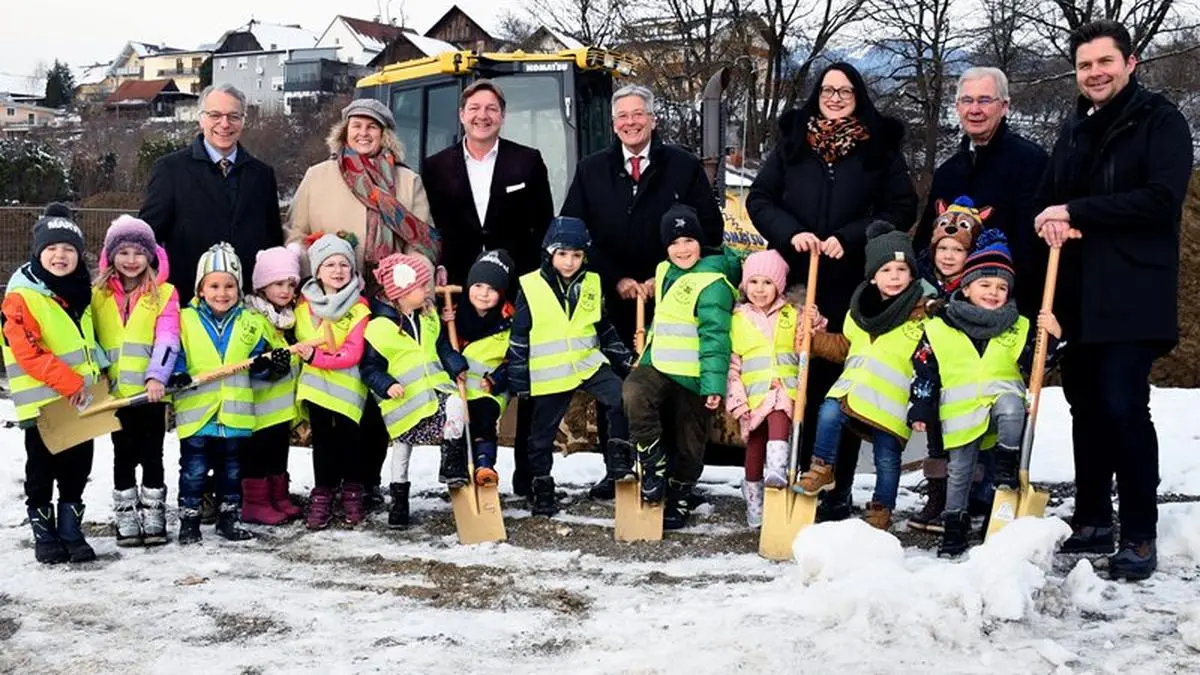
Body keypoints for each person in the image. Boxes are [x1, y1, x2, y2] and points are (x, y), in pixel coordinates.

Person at [1033, 20, 1193, 581]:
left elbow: (1159, 199)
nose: (1095, 73)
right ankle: (1094, 517)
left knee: (1124, 406)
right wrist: (1046, 219)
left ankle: (1140, 533)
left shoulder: (1160, 121)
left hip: (1132, 291)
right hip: (1078, 293)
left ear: (1130, 64)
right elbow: (1050, 197)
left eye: (1105, 62)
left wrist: (1077, 214)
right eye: (1084, 66)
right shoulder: (1075, 128)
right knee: (1085, 407)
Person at [748, 62, 918, 522]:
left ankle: (836, 485)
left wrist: (853, 235)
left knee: (839, 385)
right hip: (797, 279)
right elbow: (759, 199)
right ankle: (794, 476)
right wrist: (791, 233)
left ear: (858, 96)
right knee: (794, 379)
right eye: (828, 90)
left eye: (845, 91)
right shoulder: (794, 142)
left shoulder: (878, 146)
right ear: (816, 94)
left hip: (850, 281)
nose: (836, 97)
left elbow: (901, 205)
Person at [561, 83, 725, 499]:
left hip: (673, 297)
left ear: (653, 119)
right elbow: (575, 233)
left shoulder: (682, 167)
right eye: (623, 117)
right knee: (618, 383)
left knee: (672, 381)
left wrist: (665, 275)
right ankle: (618, 466)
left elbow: (709, 229)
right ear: (613, 125)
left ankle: (672, 473)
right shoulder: (591, 169)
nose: (631, 123)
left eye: (639, 115)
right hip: (613, 295)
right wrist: (616, 277)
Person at [286, 97, 439, 515]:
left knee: (376, 393)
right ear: (344, 131)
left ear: (385, 133)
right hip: (331, 297)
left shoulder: (407, 182)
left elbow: (423, 242)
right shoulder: (319, 176)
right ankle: (327, 482)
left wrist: (409, 275)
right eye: (356, 126)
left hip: (387, 299)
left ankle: (365, 480)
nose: (363, 133)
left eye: (372, 126)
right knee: (330, 397)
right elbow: (296, 232)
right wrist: (313, 263)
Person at [423, 78, 554, 498]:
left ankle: (530, 475)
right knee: (464, 376)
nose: (482, 115)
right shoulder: (436, 165)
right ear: (462, 115)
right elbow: (431, 229)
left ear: (502, 115)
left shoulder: (527, 162)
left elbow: (543, 224)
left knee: (523, 373)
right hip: (459, 287)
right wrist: (438, 267)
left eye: (491, 109)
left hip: (517, 285)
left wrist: (535, 284)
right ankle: (466, 471)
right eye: (474, 108)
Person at [908, 232, 1063, 556]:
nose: (994, 292)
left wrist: (1053, 338)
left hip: (1002, 404)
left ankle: (1008, 461)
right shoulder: (939, 326)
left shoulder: (1018, 326)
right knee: (959, 472)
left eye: (1001, 287)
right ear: (966, 288)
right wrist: (921, 407)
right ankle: (954, 526)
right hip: (960, 412)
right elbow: (925, 369)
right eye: (985, 285)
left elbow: (1039, 362)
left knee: (1010, 406)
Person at [796, 222, 931, 531]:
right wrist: (814, 341)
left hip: (890, 400)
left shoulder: (921, 316)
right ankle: (822, 468)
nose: (894, 276)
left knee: (886, 458)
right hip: (853, 389)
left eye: (901, 269)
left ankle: (882, 508)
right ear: (872, 276)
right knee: (828, 410)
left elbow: (929, 360)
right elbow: (844, 346)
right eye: (886, 270)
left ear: (912, 275)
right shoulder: (859, 312)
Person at [508, 217, 635, 517]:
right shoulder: (530, 285)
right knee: (540, 436)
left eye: (577, 255)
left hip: (587, 362)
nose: (569, 262)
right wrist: (519, 381)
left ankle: (618, 460)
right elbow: (519, 335)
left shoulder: (592, 282)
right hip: (551, 372)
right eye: (562, 254)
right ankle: (542, 488)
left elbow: (603, 327)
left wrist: (623, 358)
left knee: (622, 397)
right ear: (549, 253)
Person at [623, 205, 738, 530]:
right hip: (659, 365)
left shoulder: (713, 283)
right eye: (674, 242)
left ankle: (681, 492)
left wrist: (713, 385)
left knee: (691, 440)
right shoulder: (663, 271)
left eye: (689, 240)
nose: (682, 249)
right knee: (633, 392)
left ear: (701, 242)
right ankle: (652, 458)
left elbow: (716, 336)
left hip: (693, 376)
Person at [169, 243, 291, 545]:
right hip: (198, 413)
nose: (221, 293)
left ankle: (229, 518)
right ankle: (190, 521)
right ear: (200, 288)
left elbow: (257, 365)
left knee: (232, 471)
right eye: (213, 285)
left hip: (236, 414)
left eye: (229, 286)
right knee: (194, 470)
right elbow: (177, 353)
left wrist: (274, 367)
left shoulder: (250, 322)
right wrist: (177, 373)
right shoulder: (185, 320)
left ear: (239, 288)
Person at [2, 205, 105, 564]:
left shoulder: (81, 293)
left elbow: (87, 342)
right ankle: (44, 534)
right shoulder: (21, 297)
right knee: (42, 470)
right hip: (45, 403)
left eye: (69, 249)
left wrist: (100, 371)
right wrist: (71, 382)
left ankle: (71, 529)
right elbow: (27, 350)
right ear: (38, 252)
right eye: (52, 248)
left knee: (78, 468)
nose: (60, 256)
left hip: (81, 401)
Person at [911, 67, 1050, 317]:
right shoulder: (948, 172)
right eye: (967, 100)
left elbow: (1034, 248)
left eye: (985, 100)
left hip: (1006, 305)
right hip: (947, 307)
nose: (975, 109)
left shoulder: (1031, 162)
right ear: (957, 106)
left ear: (1004, 106)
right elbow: (926, 242)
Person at [140, 84, 283, 302]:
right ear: (201, 119)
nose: (224, 124)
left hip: (249, 304)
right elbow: (149, 236)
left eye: (234, 116)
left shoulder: (262, 175)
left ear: (244, 120)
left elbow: (273, 240)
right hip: (187, 303)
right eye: (215, 115)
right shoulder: (170, 170)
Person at [361, 252, 469, 528]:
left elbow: (441, 346)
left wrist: (455, 363)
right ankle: (399, 500)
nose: (427, 291)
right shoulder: (378, 329)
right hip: (404, 400)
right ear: (403, 291)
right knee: (402, 447)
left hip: (434, 390)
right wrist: (387, 385)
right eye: (422, 286)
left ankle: (452, 460)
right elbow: (370, 368)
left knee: (457, 404)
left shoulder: (429, 319)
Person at [91, 215, 180, 547]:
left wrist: (158, 375)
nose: (131, 260)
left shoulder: (165, 293)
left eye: (139, 252)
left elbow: (168, 338)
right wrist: (98, 371)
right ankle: (126, 514)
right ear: (111, 255)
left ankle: (153, 510)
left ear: (151, 255)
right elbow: (92, 338)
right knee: (122, 454)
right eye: (124, 252)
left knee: (153, 453)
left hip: (149, 395)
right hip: (115, 396)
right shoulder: (97, 295)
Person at [907, 196, 988, 533]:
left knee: (965, 441)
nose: (949, 256)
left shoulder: (974, 289)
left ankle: (966, 501)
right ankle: (937, 498)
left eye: (957, 250)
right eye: (943, 249)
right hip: (929, 374)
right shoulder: (923, 284)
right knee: (936, 441)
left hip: (963, 378)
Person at [726, 249, 816, 527]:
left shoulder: (792, 313)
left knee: (780, 423)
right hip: (753, 396)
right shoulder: (737, 319)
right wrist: (737, 401)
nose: (760, 289)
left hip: (785, 390)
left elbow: (809, 339)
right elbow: (732, 366)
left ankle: (777, 471)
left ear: (779, 285)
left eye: (767, 282)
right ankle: (754, 499)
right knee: (754, 449)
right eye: (753, 282)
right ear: (744, 285)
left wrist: (812, 318)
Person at [293, 234, 373, 530]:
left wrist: (317, 358)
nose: (338, 270)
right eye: (330, 264)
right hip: (316, 389)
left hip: (348, 389)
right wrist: (312, 356)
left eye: (344, 264)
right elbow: (300, 343)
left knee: (351, 441)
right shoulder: (303, 308)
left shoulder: (360, 308)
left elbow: (352, 352)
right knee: (323, 442)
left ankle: (352, 490)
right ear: (317, 270)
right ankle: (323, 492)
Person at [440, 249, 517, 488]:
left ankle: (485, 466)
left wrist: (498, 379)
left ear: (502, 293)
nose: (484, 294)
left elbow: (515, 359)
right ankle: (456, 468)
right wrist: (451, 356)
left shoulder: (510, 321)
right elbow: (440, 346)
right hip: (458, 386)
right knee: (459, 423)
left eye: (492, 289)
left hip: (489, 389)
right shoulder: (453, 316)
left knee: (483, 419)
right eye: (479, 285)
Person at [241, 246, 304, 526]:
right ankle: (255, 501)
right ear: (262, 285)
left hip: (280, 406)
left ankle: (278, 496)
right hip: (260, 405)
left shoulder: (287, 319)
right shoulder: (254, 318)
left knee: (279, 451)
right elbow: (248, 360)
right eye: (279, 283)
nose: (286, 290)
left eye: (291, 284)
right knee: (258, 452)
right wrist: (269, 368)